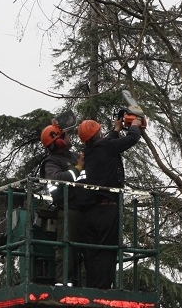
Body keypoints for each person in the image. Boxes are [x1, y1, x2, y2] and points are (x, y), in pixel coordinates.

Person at [77, 116, 142, 289]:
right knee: (107, 250)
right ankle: (103, 291)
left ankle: (92, 289)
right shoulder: (105, 147)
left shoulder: (90, 152)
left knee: (91, 253)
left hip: (90, 211)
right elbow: (132, 139)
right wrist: (135, 126)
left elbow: (108, 143)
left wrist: (116, 129)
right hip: (106, 210)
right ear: (97, 133)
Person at [39, 120, 86, 286]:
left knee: (91, 251)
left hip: (87, 209)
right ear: (58, 141)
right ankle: (63, 286)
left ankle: (88, 287)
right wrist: (78, 168)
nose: (69, 137)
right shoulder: (51, 163)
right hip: (69, 210)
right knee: (67, 251)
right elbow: (56, 179)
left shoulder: (75, 156)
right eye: (65, 135)